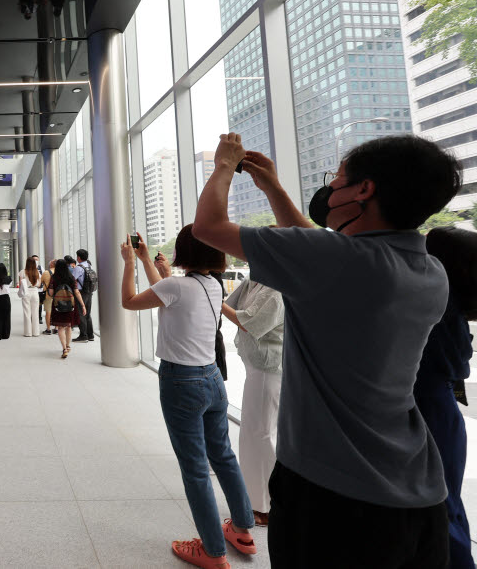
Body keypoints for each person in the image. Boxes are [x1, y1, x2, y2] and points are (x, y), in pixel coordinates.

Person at [192, 133, 462, 568]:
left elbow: (207, 228)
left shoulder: (335, 260)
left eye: (336, 180)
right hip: (418, 491)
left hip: (333, 495)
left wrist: (224, 164)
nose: (330, 189)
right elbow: (321, 249)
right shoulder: (430, 272)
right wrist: (274, 190)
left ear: (364, 189)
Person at [120, 227, 255, 568]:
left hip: (182, 382)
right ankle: (242, 529)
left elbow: (130, 301)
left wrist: (128, 264)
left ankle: (212, 551)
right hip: (213, 379)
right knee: (223, 456)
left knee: (195, 469)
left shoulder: (175, 286)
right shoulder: (212, 285)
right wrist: (148, 262)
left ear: (184, 253)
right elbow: (165, 291)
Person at [417, 227, 477, 569]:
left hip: (428, 412)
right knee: (447, 502)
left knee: (438, 507)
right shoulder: (448, 304)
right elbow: (459, 368)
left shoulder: (431, 304)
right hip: (443, 411)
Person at [222, 273, 285, 528]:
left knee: (261, 434)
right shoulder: (253, 280)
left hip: (268, 367)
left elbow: (247, 321)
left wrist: (216, 301)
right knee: (253, 433)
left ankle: (268, 506)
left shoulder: (276, 288)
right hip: (256, 364)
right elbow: (232, 304)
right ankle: (256, 500)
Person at [48, 257, 86, 359]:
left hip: (58, 305)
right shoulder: (71, 277)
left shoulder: (54, 278)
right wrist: (82, 305)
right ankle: (68, 346)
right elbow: (77, 292)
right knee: (69, 326)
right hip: (71, 305)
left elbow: (51, 293)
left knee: (60, 327)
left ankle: (64, 348)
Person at [73, 249, 96, 342]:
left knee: (81, 313)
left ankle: (83, 335)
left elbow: (72, 279)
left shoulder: (79, 268)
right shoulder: (89, 265)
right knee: (87, 313)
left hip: (81, 293)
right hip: (89, 292)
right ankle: (90, 335)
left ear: (78, 257)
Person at [18, 257, 42, 337]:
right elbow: (39, 285)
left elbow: (20, 284)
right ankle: (36, 332)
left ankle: (28, 333)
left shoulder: (22, 272)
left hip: (26, 292)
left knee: (26, 312)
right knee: (35, 312)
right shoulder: (37, 272)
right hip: (35, 291)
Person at [41, 259, 55, 335]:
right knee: (56, 311)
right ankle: (56, 328)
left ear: (51, 265)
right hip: (58, 295)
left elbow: (41, 282)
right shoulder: (60, 272)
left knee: (48, 312)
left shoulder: (46, 272)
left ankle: (48, 329)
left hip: (48, 295)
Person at [32, 254, 45, 324]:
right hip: (31, 290)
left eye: (36, 260)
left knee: (39, 304)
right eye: (34, 260)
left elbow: (43, 277)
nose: (35, 261)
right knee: (32, 305)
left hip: (39, 289)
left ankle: (39, 317)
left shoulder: (41, 268)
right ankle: (33, 317)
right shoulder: (28, 268)